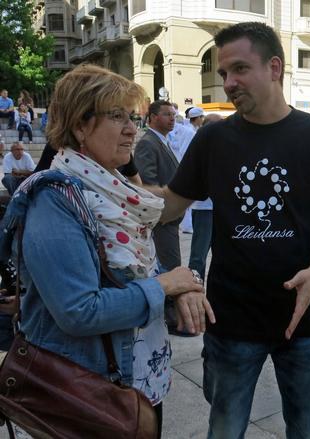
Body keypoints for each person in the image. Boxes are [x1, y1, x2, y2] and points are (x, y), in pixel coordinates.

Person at [158, 22, 310, 438]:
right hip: (231, 320)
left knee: (305, 431)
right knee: (224, 430)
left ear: (274, 68)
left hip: (305, 319)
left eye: (239, 69)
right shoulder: (213, 139)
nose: (228, 83)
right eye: (224, 74)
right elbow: (169, 207)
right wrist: (105, 181)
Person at [0, 64, 212, 435]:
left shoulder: (113, 189)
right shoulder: (55, 198)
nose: (132, 129)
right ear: (80, 126)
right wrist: (165, 286)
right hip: (85, 392)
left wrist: (180, 286)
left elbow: (132, 274)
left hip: (136, 383)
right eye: (117, 117)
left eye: (132, 117)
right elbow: (79, 311)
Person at [133, 100, 189, 337]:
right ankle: (170, 316)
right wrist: (163, 212)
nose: (172, 118)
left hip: (168, 218)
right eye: (167, 114)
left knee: (169, 262)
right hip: (161, 219)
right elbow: (147, 183)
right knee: (168, 265)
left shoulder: (161, 141)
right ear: (153, 117)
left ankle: (171, 314)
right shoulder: (148, 143)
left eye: (173, 114)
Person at [187, 112, 220, 280]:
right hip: (204, 208)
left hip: (219, 208)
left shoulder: (223, 147)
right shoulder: (200, 149)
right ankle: (194, 286)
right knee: (199, 254)